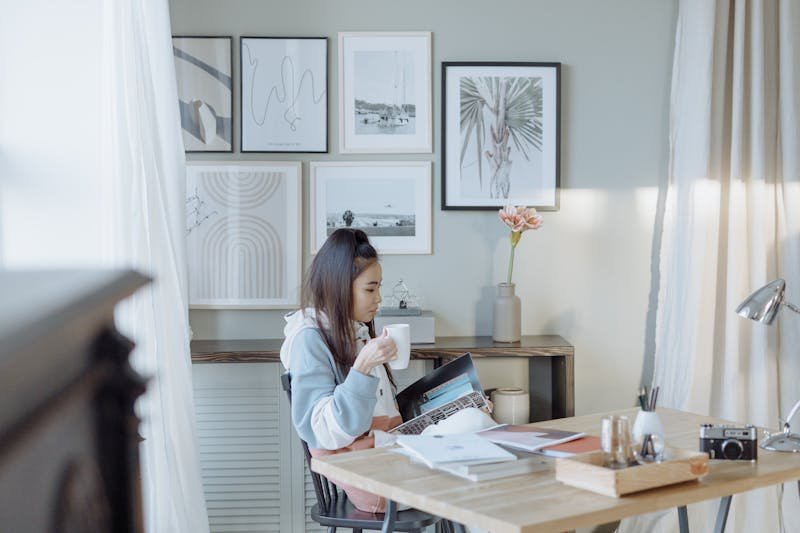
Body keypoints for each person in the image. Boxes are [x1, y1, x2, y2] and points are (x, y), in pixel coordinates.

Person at [279, 228, 402, 513]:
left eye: (379, 287)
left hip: (383, 453)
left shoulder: (353, 332)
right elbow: (322, 431)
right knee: (471, 476)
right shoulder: (310, 339)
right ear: (339, 287)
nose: (379, 298)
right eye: (370, 289)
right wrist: (362, 367)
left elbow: (380, 410)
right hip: (366, 473)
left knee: (472, 426)